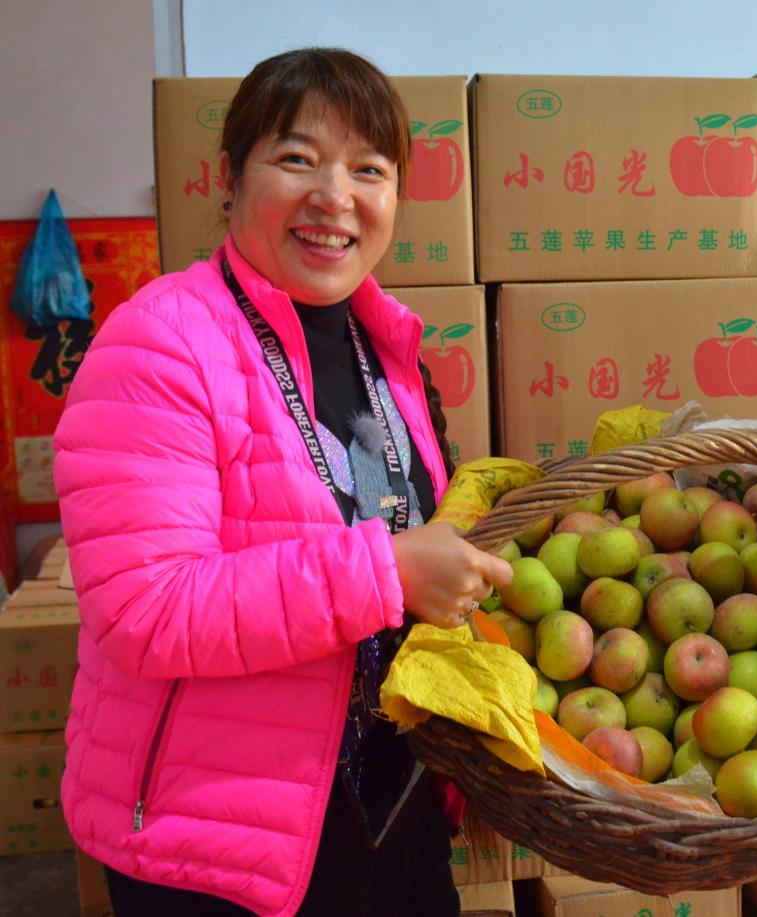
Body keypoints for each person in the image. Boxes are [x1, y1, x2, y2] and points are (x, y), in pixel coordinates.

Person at [52, 48, 512, 917]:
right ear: (229, 177)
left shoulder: (386, 352)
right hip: (222, 847)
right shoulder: (160, 342)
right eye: (297, 158)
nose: (335, 196)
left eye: (368, 169)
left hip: (392, 812)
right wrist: (389, 572)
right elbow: (144, 608)